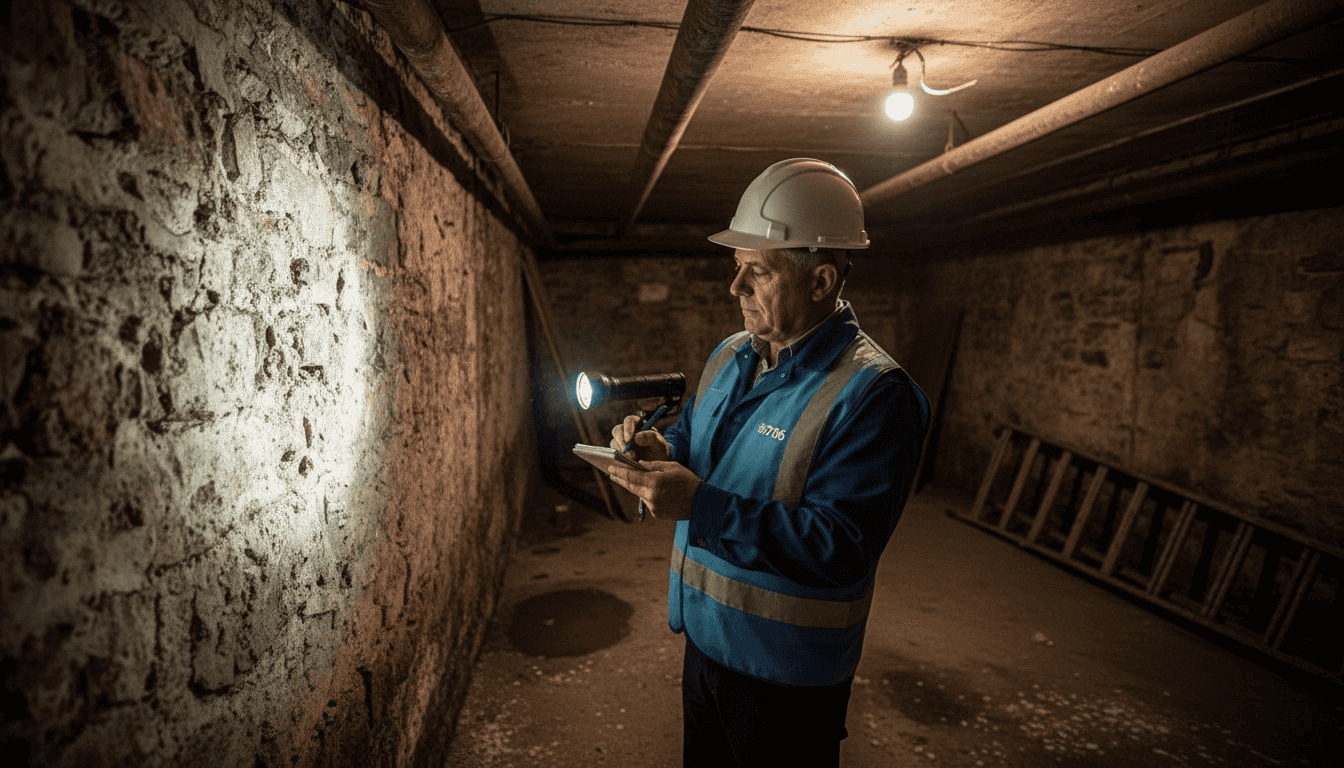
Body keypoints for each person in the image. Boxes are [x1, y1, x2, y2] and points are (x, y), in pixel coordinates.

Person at [604, 158, 930, 767]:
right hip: (705, 639)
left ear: (821, 280)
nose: (736, 289)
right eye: (737, 269)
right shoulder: (732, 353)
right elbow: (701, 448)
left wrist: (696, 505)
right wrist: (661, 451)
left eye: (757, 272)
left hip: (787, 673)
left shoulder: (874, 395)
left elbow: (838, 548)